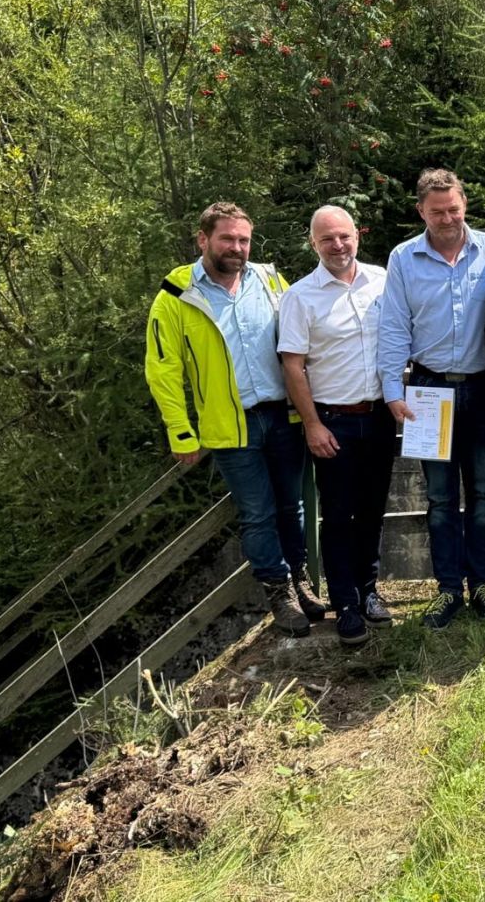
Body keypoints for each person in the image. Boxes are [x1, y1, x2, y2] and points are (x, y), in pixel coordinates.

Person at [145, 202, 321, 637]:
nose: (237, 247)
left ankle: (301, 580)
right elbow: (163, 369)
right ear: (203, 239)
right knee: (258, 514)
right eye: (227, 238)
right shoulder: (176, 296)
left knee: (292, 506)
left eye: (244, 240)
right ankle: (279, 593)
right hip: (229, 424)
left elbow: (303, 337)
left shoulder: (270, 280)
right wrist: (180, 430)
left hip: (283, 416)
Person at [378, 169, 485, 629]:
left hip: (484, 388)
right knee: (439, 498)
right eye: (437, 212)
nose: (447, 218)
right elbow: (394, 326)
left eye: (453, 209)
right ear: (421, 212)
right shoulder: (403, 258)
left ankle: (484, 585)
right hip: (428, 390)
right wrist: (393, 391)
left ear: (464, 204)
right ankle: (448, 590)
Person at [279, 206, 396, 647]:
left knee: (372, 511)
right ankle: (345, 603)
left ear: (357, 236)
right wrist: (311, 424)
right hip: (332, 421)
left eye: (344, 236)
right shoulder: (300, 297)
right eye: (327, 239)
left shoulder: (383, 281)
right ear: (314, 243)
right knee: (338, 516)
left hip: (380, 415)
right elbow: (292, 366)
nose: (338, 245)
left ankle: (369, 591)